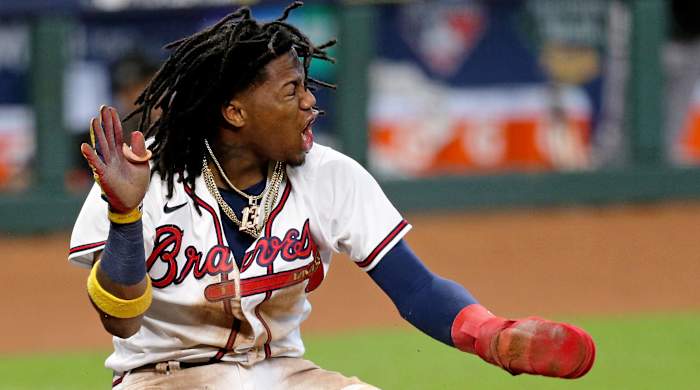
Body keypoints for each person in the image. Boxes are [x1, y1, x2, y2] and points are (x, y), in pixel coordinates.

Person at [69, 3, 595, 389]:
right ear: (234, 112)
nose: (310, 104)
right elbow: (121, 321)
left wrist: (490, 334)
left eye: (308, 87)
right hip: (163, 380)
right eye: (291, 91)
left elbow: (414, 288)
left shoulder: (329, 174)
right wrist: (124, 214)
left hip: (285, 373)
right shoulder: (144, 173)